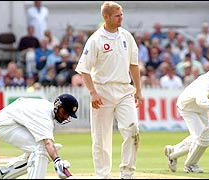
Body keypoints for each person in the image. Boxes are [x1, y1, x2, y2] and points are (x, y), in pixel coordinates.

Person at [75, 1, 143, 179]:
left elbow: (134, 65)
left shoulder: (126, 36)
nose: (122, 17)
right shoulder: (96, 39)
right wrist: (92, 92)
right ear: (106, 17)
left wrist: (138, 90)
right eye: (117, 15)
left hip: (124, 90)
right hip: (102, 92)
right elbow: (84, 69)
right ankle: (103, 176)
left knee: (132, 129)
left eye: (122, 14)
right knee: (101, 138)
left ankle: (127, 173)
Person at [164, 58, 209, 173]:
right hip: (188, 106)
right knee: (203, 137)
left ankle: (173, 151)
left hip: (201, 109)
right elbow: (200, 100)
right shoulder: (208, 81)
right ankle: (190, 165)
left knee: (206, 137)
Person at [0, 94, 78, 179]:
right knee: (42, 149)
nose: (66, 117)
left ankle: (4, 172)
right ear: (57, 106)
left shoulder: (47, 108)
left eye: (68, 115)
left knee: (47, 149)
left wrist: (57, 160)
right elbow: (48, 143)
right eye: (64, 112)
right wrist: (57, 161)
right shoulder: (44, 117)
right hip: (6, 126)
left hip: (9, 123)